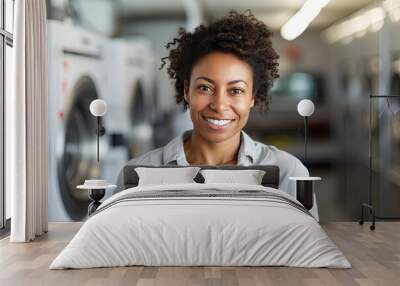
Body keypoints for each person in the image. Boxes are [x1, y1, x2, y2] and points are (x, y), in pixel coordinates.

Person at [115, 11, 318, 220]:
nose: (219, 105)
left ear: (252, 97)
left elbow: (306, 249)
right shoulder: (136, 174)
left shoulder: (288, 172)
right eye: (205, 88)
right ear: (187, 91)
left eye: (236, 90)